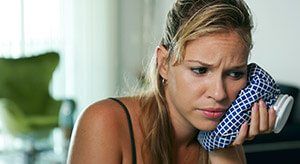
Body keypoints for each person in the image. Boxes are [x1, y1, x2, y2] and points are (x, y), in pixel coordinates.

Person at [67, 0, 277, 163]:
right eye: (200, 70)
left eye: (235, 74)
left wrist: (223, 148)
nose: (219, 93)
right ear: (164, 64)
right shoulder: (104, 123)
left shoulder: (226, 142)